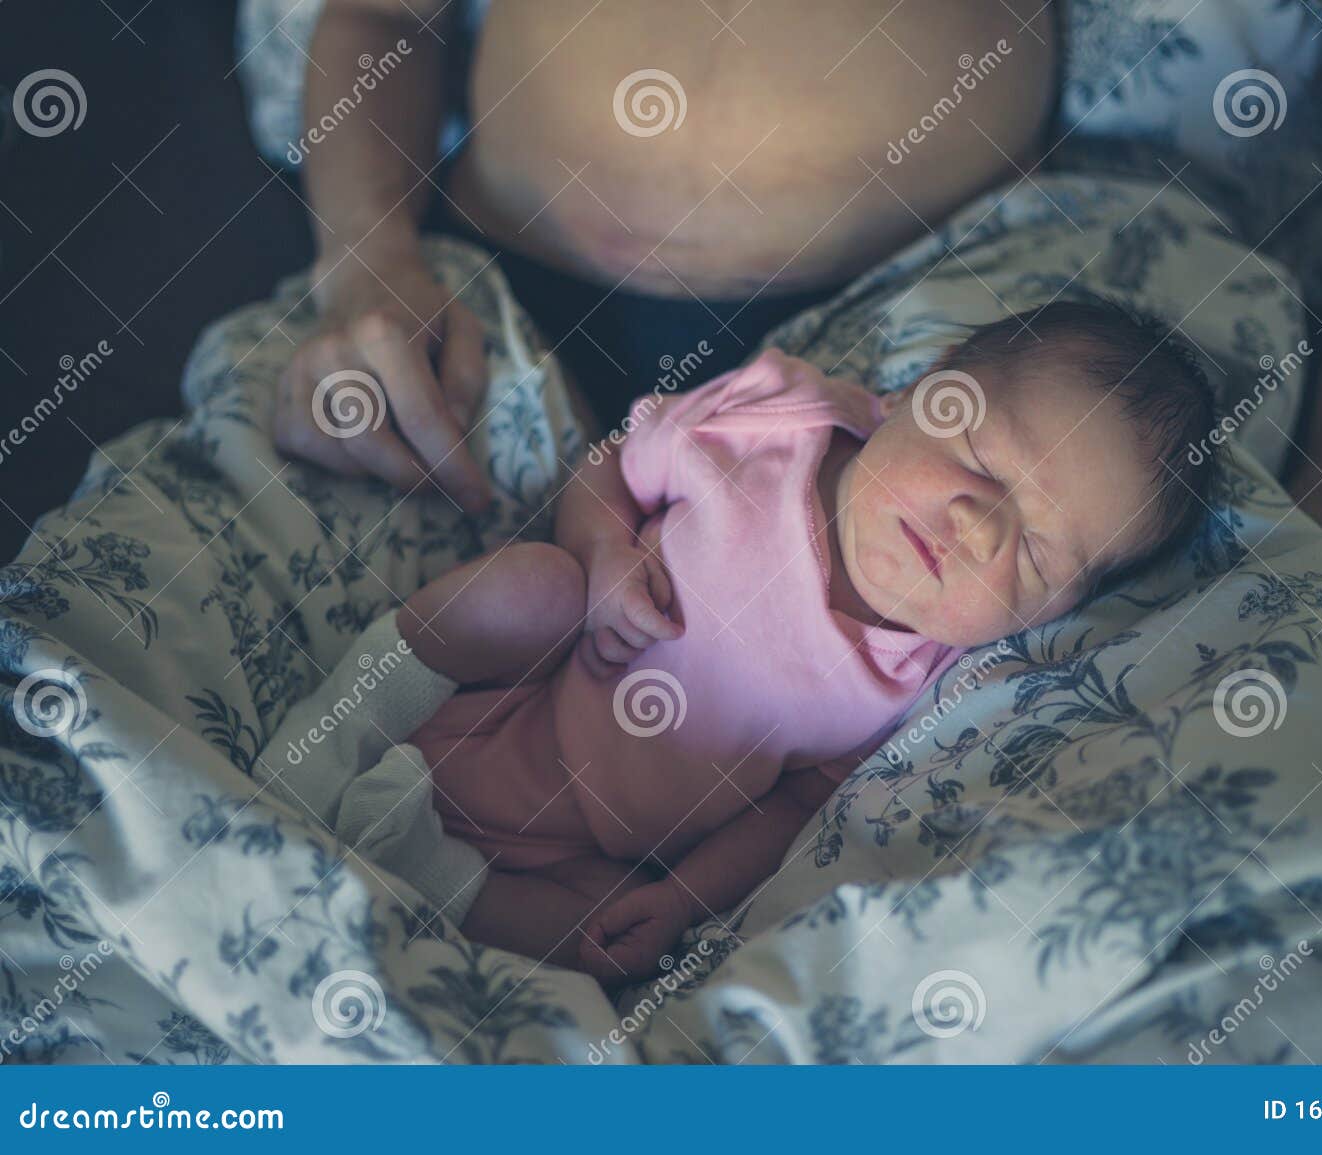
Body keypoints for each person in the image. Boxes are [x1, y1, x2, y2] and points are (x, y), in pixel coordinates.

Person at [269, 0, 1322, 753]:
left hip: (951, 335)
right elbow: (383, 16)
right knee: (245, 663)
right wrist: (365, 257)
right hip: (464, 295)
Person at [260, 302, 1220, 982]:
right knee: (530, 587)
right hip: (518, 681)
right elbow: (611, 467)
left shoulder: (915, 684)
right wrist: (602, 555)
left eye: (1036, 553)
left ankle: (426, 869)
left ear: (1049, 615)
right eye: (979, 458)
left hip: (581, 846)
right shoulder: (777, 423)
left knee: (605, 940)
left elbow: (790, 810)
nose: (976, 525)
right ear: (921, 392)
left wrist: (683, 899)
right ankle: (342, 728)